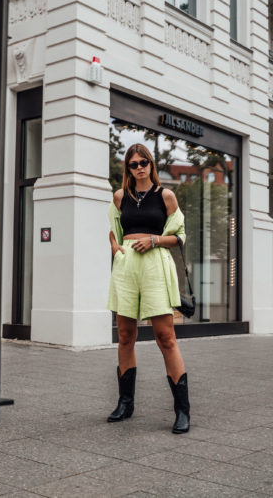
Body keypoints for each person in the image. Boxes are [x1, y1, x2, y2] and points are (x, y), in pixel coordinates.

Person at [107, 143, 190, 434]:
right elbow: (113, 232)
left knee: (165, 336)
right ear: (127, 168)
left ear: (151, 165)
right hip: (127, 268)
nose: (139, 167)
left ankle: (182, 410)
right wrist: (118, 249)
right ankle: (125, 403)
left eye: (144, 162)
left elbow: (179, 236)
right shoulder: (119, 197)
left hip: (155, 264)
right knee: (126, 335)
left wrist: (154, 240)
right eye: (133, 163)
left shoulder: (165, 196)